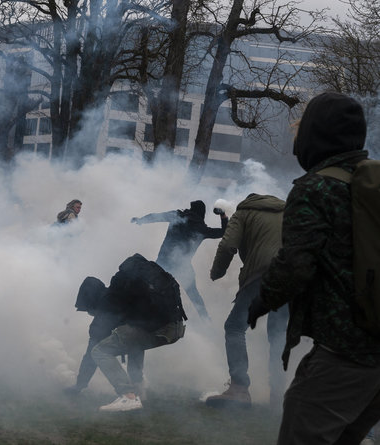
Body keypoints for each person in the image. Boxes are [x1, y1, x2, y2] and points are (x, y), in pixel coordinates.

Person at [247, 92, 380, 444]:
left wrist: (264, 298)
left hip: (349, 350)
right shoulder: (370, 187)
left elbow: (295, 265)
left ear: (314, 135)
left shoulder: (316, 188)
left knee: (301, 432)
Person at [205, 193, 288, 409]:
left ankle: (239, 389)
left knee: (234, 327)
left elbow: (227, 246)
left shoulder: (243, 212)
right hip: (293, 277)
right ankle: (278, 397)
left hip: (262, 274)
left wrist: (216, 273)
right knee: (278, 335)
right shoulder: (290, 212)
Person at [91, 253, 187, 412]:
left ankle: (128, 396)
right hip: (176, 328)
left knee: (100, 351)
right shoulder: (154, 271)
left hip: (157, 328)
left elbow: (107, 313)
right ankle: (139, 389)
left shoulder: (121, 279)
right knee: (134, 340)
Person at [131, 200, 228, 321]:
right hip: (183, 267)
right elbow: (224, 232)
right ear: (202, 213)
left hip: (163, 262)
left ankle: (139, 314)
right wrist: (223, 215)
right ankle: (205, 319)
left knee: (150, 288)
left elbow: (156, 217)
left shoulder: (177, 216)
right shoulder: (201, 229)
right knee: (193, 295)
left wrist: (141, 220)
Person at [63, 276, 124, 396]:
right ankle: (138, 387)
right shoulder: (114, 296)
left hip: (146, 330)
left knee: (98, 353)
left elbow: (90, 355)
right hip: (152, 326)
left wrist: (79, 386)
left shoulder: (105, 310)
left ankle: (128, 393)